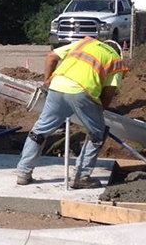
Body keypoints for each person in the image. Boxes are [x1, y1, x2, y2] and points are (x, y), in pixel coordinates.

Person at [16, 37, 128, 189]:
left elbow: (51, 56)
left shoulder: (84, 43)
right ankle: (81, 177)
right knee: (97, 134)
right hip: (82, 92)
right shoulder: (115, 61)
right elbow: (108, 94)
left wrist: (48, 79)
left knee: (40, 131)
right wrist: (97, 111)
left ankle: (23, 173)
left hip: (57, 86)